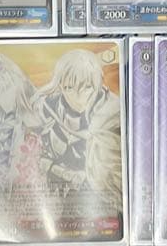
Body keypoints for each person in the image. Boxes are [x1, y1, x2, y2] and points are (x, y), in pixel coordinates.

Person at [34, 49, 122, 202]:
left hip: (99, 199)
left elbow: (114, 174)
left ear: (97, 84)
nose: (78, 97)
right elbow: (34, 157)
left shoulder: (112, 113)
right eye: (69, 87)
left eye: (87, 87)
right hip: (55, 196)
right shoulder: (47, 108)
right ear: (60, 85)